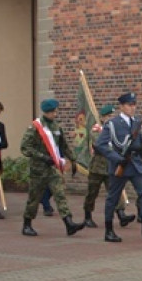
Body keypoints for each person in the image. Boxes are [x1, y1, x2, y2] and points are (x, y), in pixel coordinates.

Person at [95, 92, 142, 241]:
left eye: (134, 105)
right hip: (120, 165)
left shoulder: (137, 122)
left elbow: (139, 144)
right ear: (121, 106)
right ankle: (109, 230)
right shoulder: (112, 124)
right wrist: (117, 158)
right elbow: (100, 144)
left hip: (135, 164)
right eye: (129, 105)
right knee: (113, 198)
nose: (132, 108)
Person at [19, 99, 86, 237]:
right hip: (38, 169)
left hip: (53, 168)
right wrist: (43, 157)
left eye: (56, 111)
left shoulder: (56, 127)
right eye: (52, 112)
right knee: (34, 198)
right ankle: (27, 224)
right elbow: (25, 147)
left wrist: (73, 159)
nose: (55, 114)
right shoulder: (35, 127)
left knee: (60, 194)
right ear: (46, 112)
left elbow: (64, 146)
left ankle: (69, 223)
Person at [82, 104, 132, 229]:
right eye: (108, 116)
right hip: (98, 167)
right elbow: (100, 146)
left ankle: (121, 214)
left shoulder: (115, 129)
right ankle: (87, 216)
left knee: (115, 191)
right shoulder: (96, 130)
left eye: (112, 116)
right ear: (102, 118)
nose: (110, 118)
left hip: (111, 166)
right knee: (92, 193)